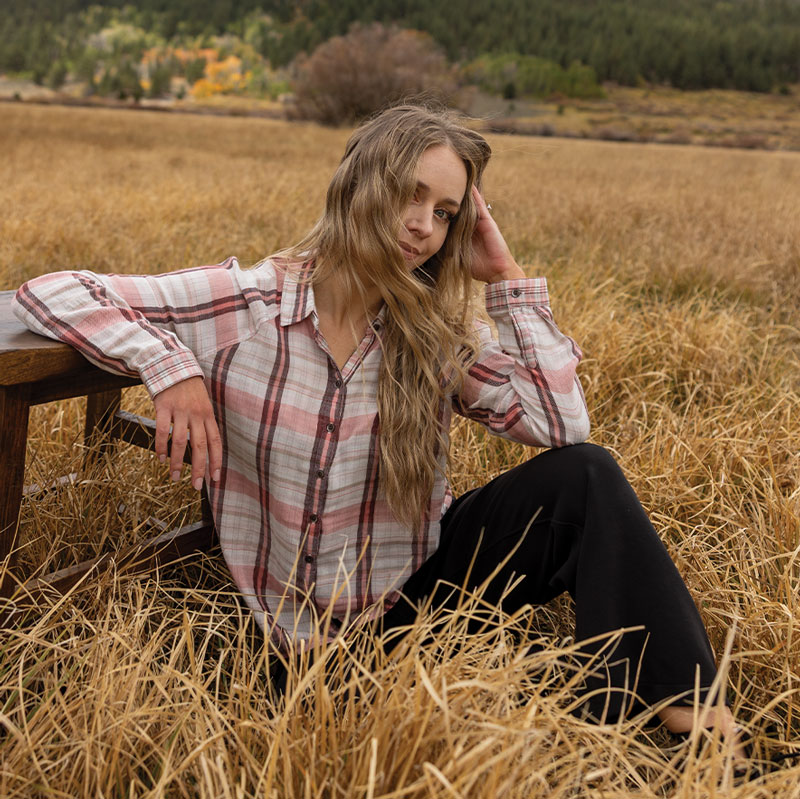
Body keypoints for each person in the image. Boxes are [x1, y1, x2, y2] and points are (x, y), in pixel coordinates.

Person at [12, 103, 742, 753]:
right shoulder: (249, 302)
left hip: (414, 597)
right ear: (359, 182)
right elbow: (45, 293)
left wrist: (505, 278)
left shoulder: (431, 332)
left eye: (448, 212)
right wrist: (168, 364)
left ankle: (694, 720)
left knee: (588, 474)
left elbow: (561, 424)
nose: (423, 224)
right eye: (410, 194)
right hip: (289, 632)